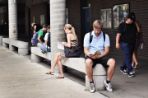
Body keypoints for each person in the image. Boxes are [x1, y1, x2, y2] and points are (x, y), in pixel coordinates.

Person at [84, 20, 116, 93]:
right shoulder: (88, 35)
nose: (97, 31)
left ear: (101, 28)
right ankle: (91, 83)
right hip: (91, 56)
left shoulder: (105, 36)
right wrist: (90, 54)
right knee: (88, 62)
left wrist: (100, 56)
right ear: (93, 27)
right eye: (96, 29)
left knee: (112, 62)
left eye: (99, 29)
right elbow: (85, 50)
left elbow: (107, 50)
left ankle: (107, 82)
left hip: (101, 55)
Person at [116, 12, 138, 77]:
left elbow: (137, 32)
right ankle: (130, 71)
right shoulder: (122, 25)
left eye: (133, 20)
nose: (132, 21)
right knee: (128, 56)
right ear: (127, 18)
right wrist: (117, 43)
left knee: (128, 57)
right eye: (131, 19)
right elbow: (118, 35)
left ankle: (122, 68)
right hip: (124, 43)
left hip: (132, 43)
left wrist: (135, 23)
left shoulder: (133, 25)